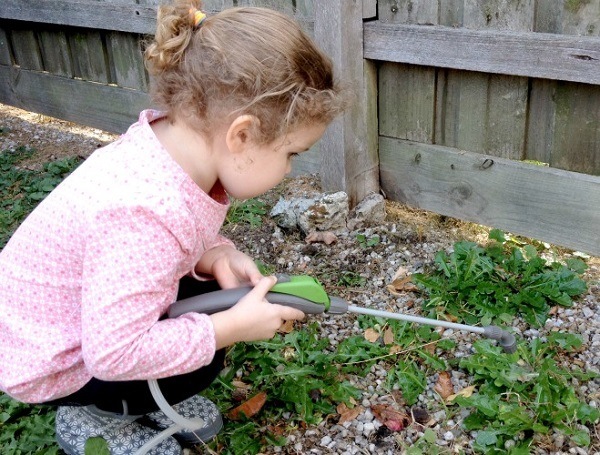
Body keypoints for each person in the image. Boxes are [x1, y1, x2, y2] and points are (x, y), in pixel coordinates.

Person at [0, 1, 347, 453]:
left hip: (82, 317)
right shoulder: (143, 210)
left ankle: (137, 400)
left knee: (208, 307)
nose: (288, 169)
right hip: (55, 356)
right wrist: (229, 329)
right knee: (204, 347)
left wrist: (216, 253)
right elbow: (114, 352)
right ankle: (98, 418)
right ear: (240, 135)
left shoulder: (173, 147)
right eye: (291, 154)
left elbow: (170, 240)